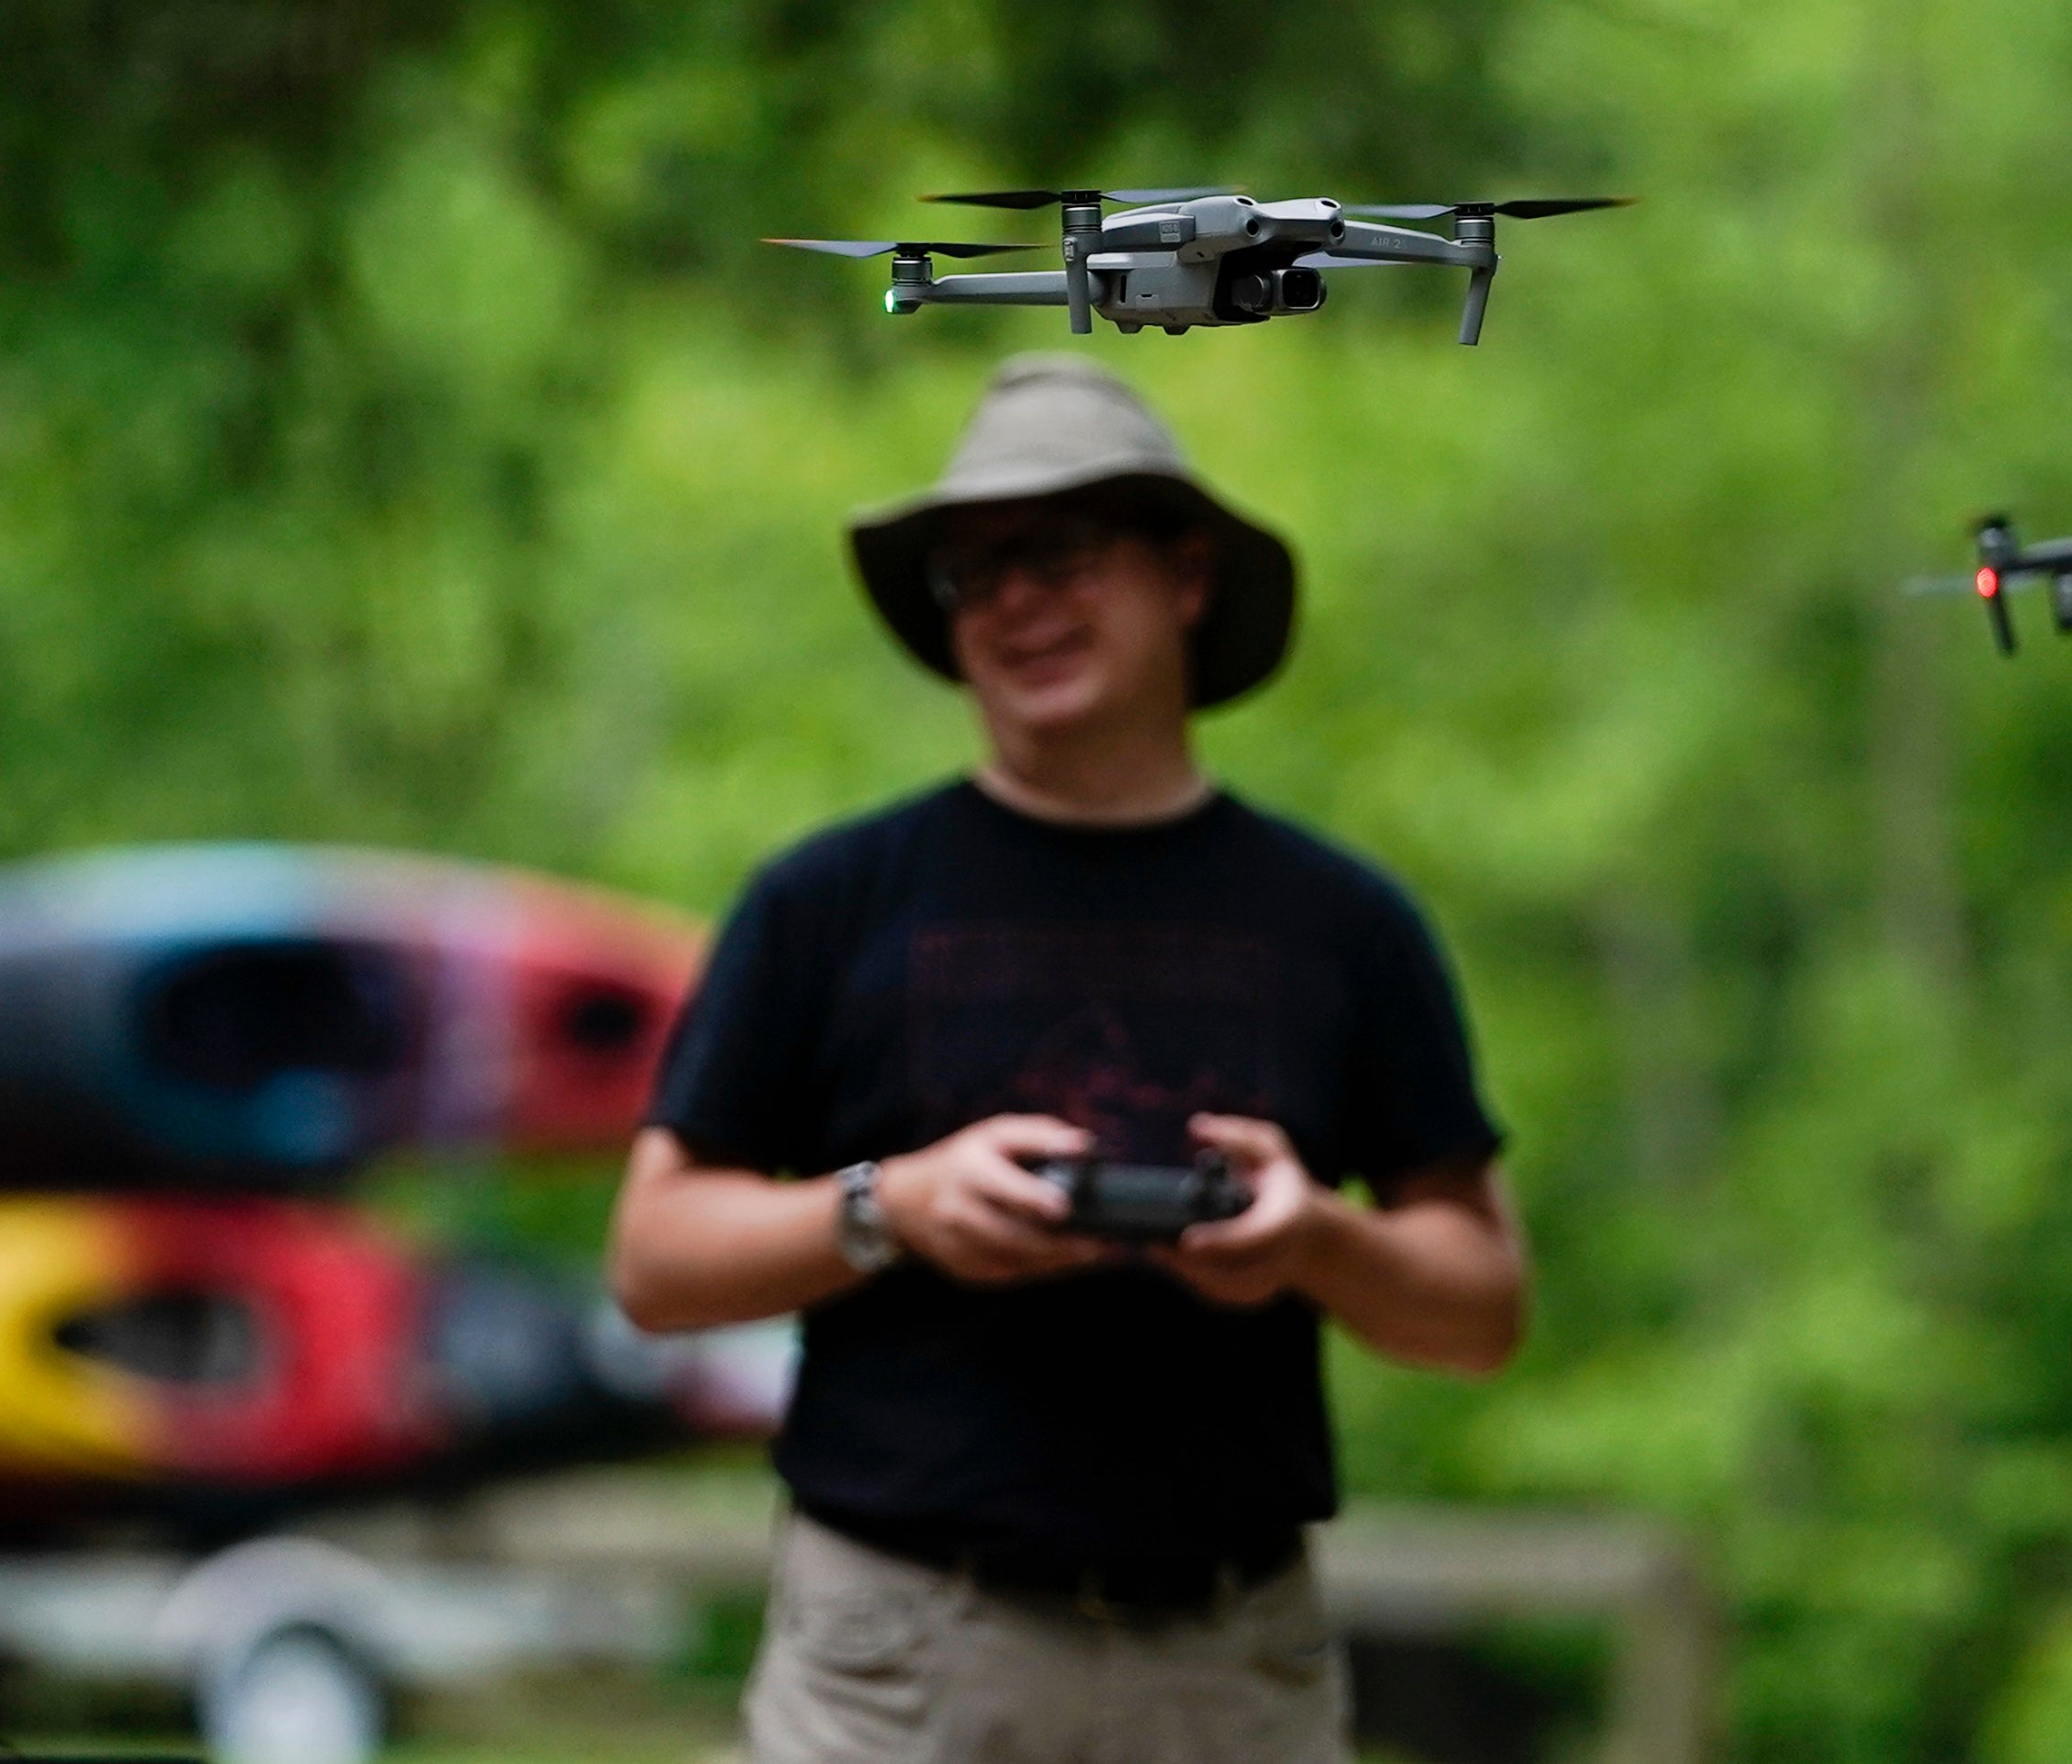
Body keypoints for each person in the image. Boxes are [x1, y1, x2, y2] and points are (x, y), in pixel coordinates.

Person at [608, 355, 1530, 1764]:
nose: (1016, 601)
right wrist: (890, 1207)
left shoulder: (1344, 922)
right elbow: (655, 1260)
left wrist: (1315, 1240)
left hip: (1233, 1664)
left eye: (1059, 552)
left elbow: (1479, 1310)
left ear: (1188, 576)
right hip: (896, 1658)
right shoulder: (827, 900)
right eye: (971, 574)